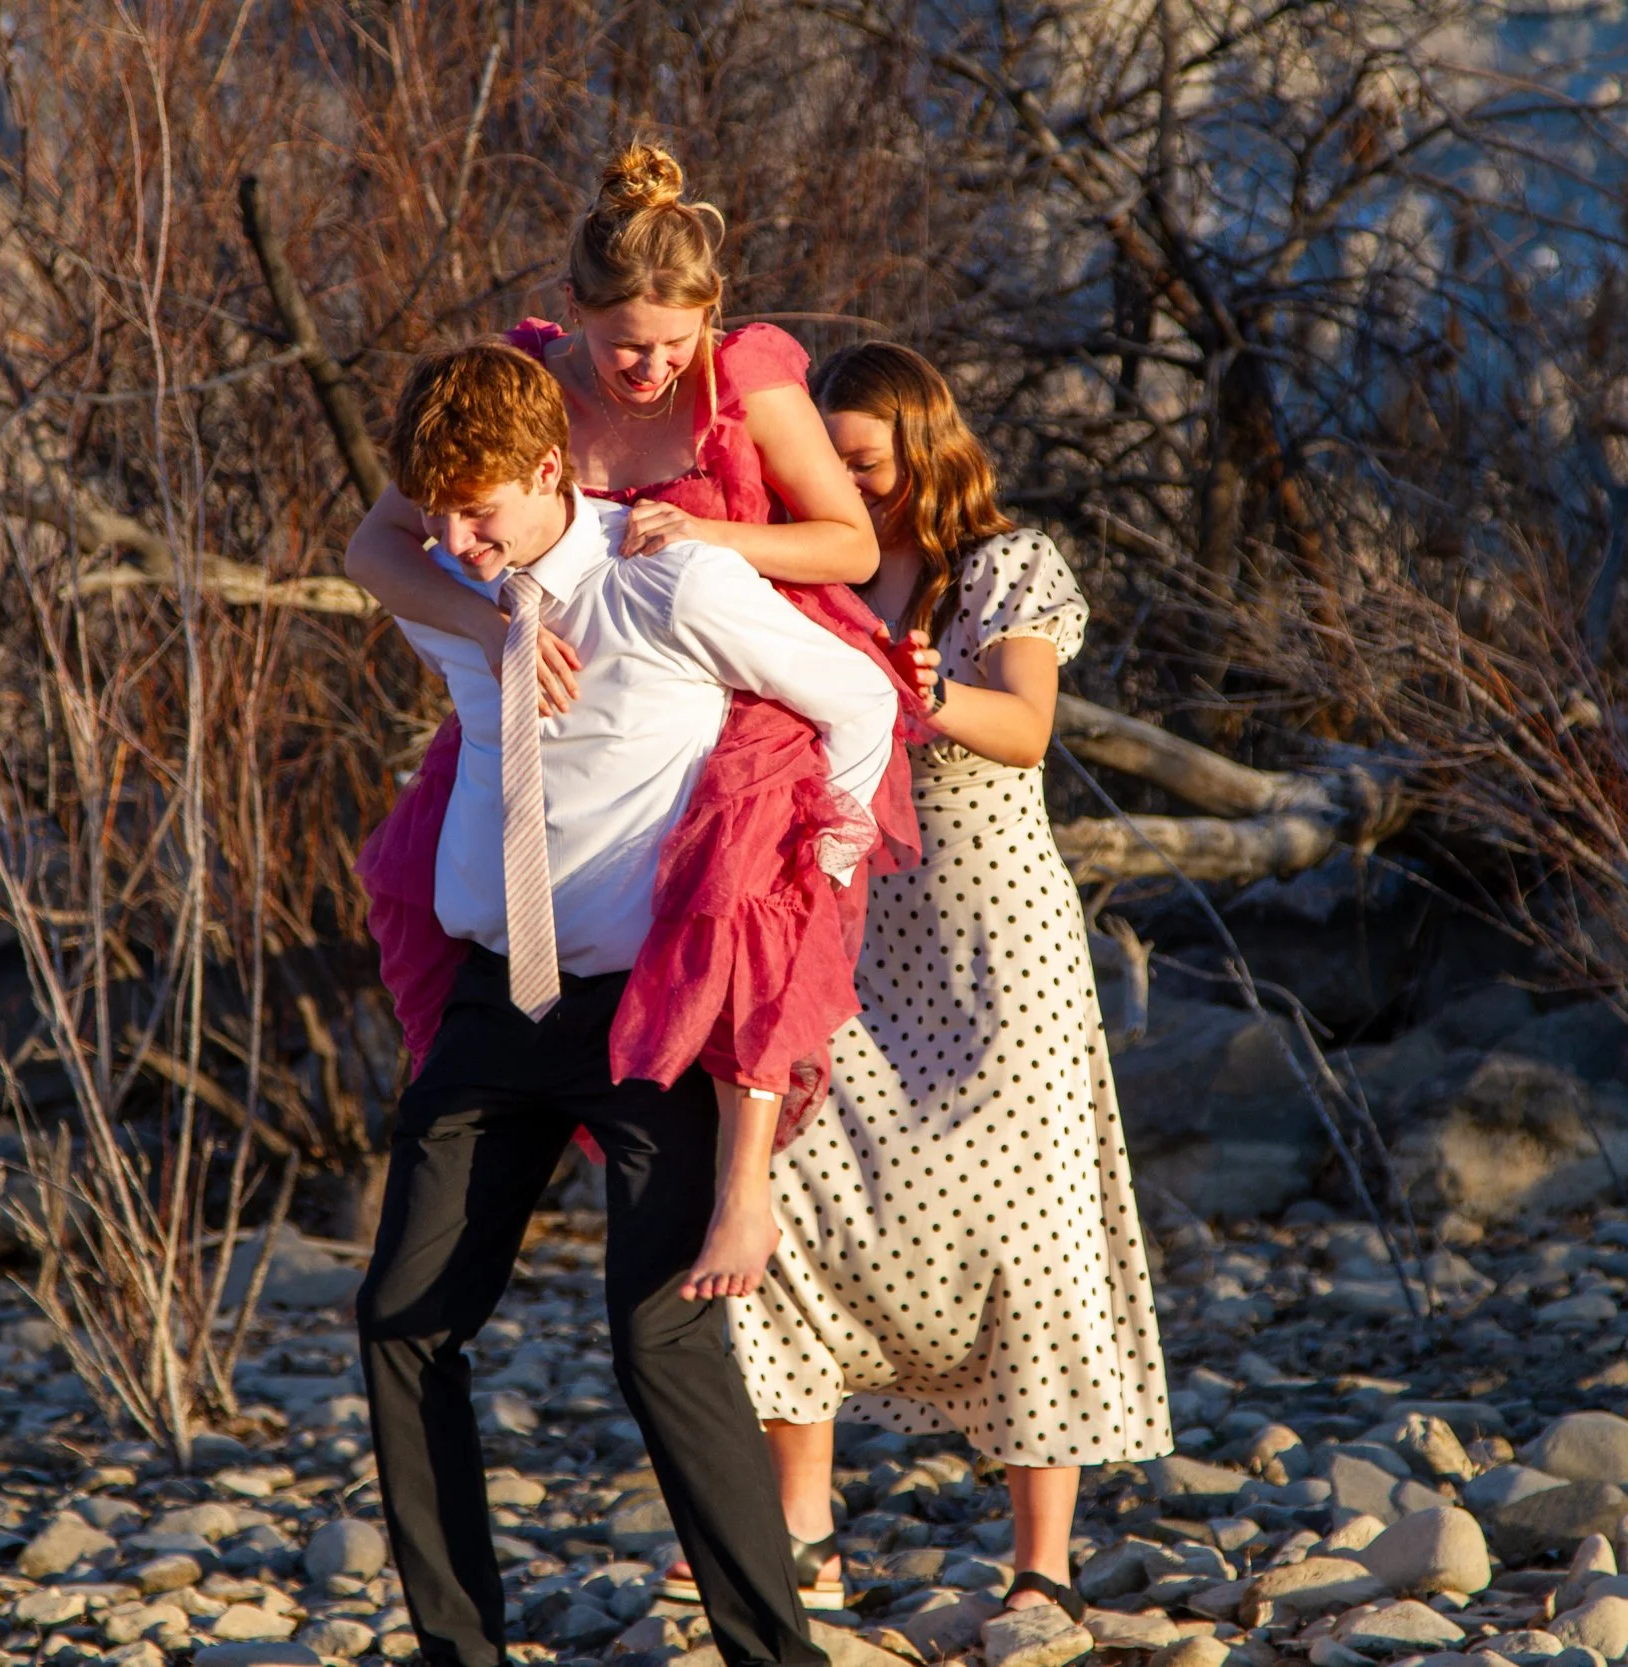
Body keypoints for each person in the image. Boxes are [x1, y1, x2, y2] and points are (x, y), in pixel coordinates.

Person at [354, 342, 898, 1667]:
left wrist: (806, 878)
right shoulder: (456, 589)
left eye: (484, 511)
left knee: (662, 1339)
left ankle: (776, 1651)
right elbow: (374, 552)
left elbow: (860, 701)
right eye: (442, 517)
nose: (460, 539)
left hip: (642, 1022)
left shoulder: (671, 577)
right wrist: (490, 613)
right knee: (403, 1319)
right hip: (494, 1006)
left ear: (554, 470)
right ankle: (458, 1649)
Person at [702, 343, 1174, 1618]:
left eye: (867, 461)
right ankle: (806, 1530)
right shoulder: (808, 565)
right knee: (790, 1183)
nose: (848, 484)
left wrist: (933, 693)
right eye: (829, 462)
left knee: (1033, 1223)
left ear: (926, 446)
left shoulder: (1005, 564)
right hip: (843, 926)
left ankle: (1040, 1565)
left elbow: (1025, 728)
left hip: (992, 940)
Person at [350, 142, 922, 1160]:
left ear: (712, 311)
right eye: (624, 347)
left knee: (732, 988)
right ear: (572, 307)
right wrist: (491, 631)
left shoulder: (745, 388)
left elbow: (850, 542)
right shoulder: (521, 393)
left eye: (674, 341)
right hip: (567, 692)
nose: (653, 368)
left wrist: (713, 533)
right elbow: (376, 544)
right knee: (492, 921)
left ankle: (713, 1218)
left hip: (739, 691)